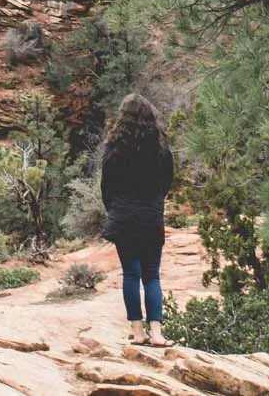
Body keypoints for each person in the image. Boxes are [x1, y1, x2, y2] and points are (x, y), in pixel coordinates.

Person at [99, 93, 174, 346]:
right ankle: (157, 334)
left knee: (131, 275)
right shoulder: (161, 144)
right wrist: (155, 202)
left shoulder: (115, 145)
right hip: (150, 216)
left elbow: (106, 185)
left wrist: (114, 210)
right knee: (151, 275)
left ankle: (137, 332)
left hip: (123, 216)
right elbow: (167, 180)